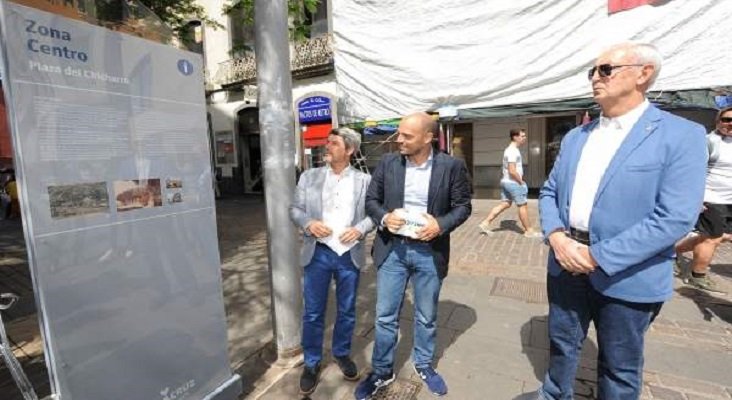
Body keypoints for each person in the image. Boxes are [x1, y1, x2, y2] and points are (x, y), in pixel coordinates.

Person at [538, 42, 706, 399]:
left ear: (644, 74)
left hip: (629, 274)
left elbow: (675, 216)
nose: (595, 78)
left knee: (619, 368)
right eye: (592, 71)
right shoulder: (575, 136)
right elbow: (549, 192)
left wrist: (597, 256)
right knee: (561, 347)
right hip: (565, 262)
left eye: (605, 69)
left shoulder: (681, 135)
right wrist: (556, 236)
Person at [354, 112, 471, 400]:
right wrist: (384, 218)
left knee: (427, 316)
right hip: (392, 249)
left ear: (428, 138)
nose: (399, 140)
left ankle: (423, 364)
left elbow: (463, 206)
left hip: (429, 252)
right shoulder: (388, 163)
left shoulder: (451, 166)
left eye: (407, 135)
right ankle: (382, 371)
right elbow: (371, 201)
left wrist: (440, 225)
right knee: (384, 316)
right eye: (399, 134)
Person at [289, 127, 375, 396]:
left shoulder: (365, 180)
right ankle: (312, 363)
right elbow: (295, 209)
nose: (327, 147)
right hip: (318, 253)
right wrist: (309, 223)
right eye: (327, 143)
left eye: (334, 143)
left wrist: (360, 229)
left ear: (349, 150)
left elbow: (374, 213)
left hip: (349, 254)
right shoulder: (309, 176)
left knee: (347, 309)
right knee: (313, 312)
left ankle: (341, 353)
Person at [674, 106, 732, 294]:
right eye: (726, 119)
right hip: (711, 198)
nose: (730, 124)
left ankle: (672, 250)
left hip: (729, 200)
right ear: (718, 121)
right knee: (711, 239)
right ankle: (697, 275)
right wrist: (696, 198)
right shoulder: (709, 142)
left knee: (721, 237)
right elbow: (691, 171)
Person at [479, 128, 541, 237]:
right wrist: (521, 182)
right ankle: (529, 231)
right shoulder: (512, 151)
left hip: (506, 181)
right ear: (515, 137)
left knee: (505, 204)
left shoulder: (509, 150)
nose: (524, 138)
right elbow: (512, 170)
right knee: (522, 205)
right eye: (522, 136)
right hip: (513, 182)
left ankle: (485, 223)